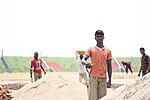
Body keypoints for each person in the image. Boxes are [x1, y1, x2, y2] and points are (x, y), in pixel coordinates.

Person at [83, 30, 112, 100]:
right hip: (93, 77)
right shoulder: (91, 49)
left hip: (103, 78)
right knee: (93, 98)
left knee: (103, 98)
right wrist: (86, 63)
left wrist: (110, 79)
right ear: (95, 38)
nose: (99, 38)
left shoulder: (108, 51)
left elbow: (109, 66)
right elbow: (84, 58)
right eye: (97, 36)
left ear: (103, 37)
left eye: (101, 36)